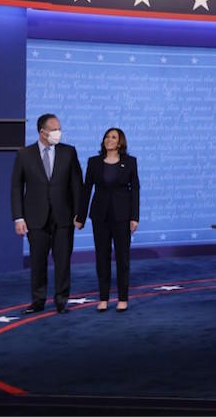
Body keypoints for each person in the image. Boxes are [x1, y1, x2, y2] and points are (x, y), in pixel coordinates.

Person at [11, 113, 83, 314]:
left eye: (59, 129)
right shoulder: (25, 154)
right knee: (38, 261)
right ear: (42, 132)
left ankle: (61, 300)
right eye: (54, 129)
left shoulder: (69, 152)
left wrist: (80, 213)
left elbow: (77, 185)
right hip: (35, 217)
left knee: (63, 261)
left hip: (63, 216)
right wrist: (19, 217)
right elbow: (16, 187)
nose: (58, 133)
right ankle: (38, 300)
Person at [78, 127, 140, 312]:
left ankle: (122, 299)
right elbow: (86, 189)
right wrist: (80, 216)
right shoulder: (94, 162)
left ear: (120, 142)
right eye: (107, 136)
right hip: (100, 216)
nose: (109, 139)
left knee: (123, 258)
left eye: (113, 137)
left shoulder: (130, 162)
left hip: (122, 217)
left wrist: (134, 217)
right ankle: (103, 298)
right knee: (101, 258)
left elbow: (135, 189)